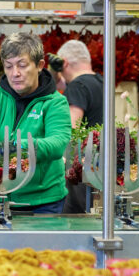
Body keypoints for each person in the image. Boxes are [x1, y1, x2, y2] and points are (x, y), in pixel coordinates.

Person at [0, 32, 72, 214]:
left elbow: (57, 143)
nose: (15, 73)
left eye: (22, 65)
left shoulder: (55, 102)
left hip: (43, 202)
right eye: (8, 66)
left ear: (40, 65)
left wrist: (15, 148)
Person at [50, 40, 102, 214]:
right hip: (98, 170)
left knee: (75, 225)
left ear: (63, 62)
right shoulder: (101, 83)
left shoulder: (77, 87)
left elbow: (71, 131)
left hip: (79, 173)